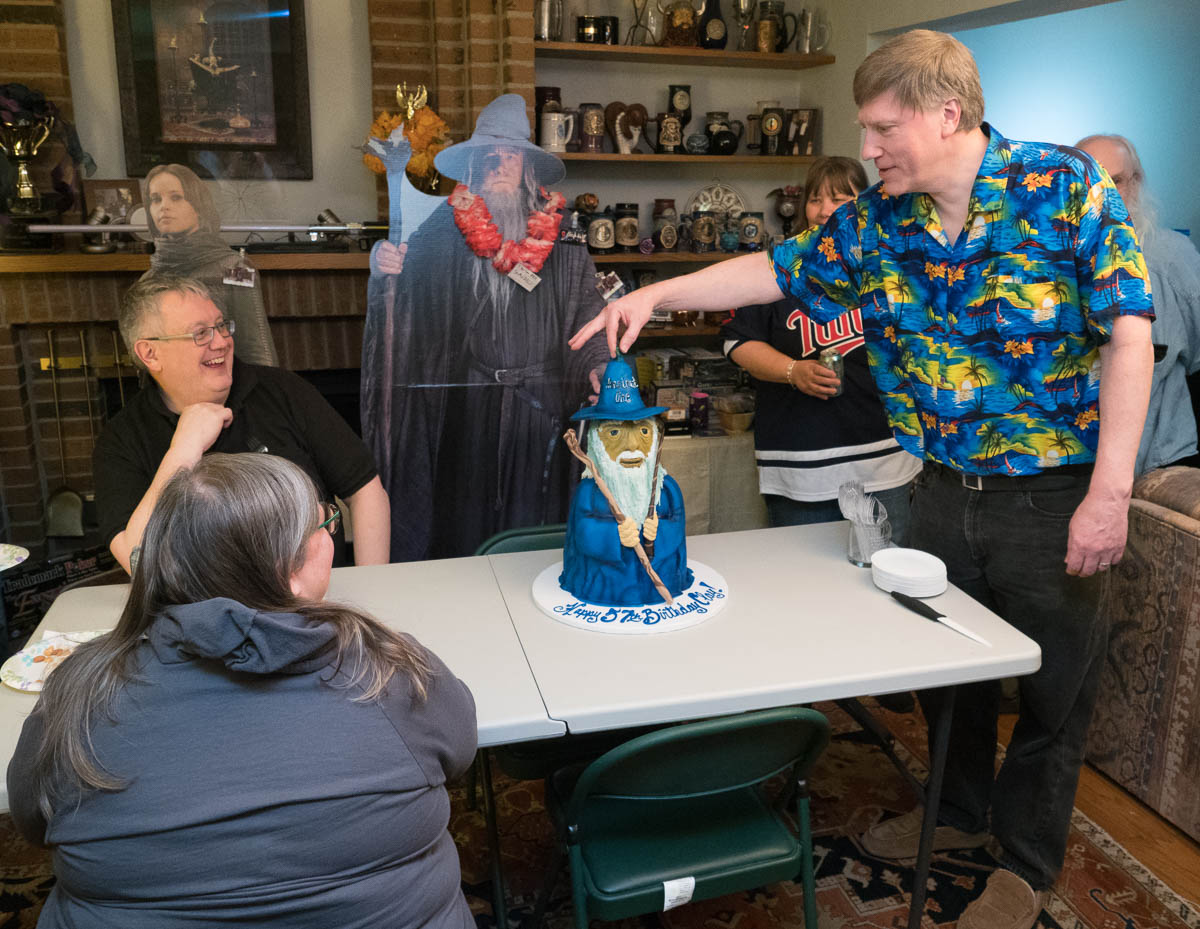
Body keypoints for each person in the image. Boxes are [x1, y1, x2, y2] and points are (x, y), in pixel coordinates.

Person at [569, 29, 1154, 929]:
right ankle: (957, 812)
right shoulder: (880, 218)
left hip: (1054, 496)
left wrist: (1110, 493)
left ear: (948, 114)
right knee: (948, 676)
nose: (869, 147)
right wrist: (656, 294)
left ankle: (1026, 864)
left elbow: (1128, 337)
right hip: (938, 489)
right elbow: (772, 269)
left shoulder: (1066, 187)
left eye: (884, 128)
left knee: (1052, 695)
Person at [7, 453, 477, 928]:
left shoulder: (78, 693)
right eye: (325, 525)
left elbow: (32, 820)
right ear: (288, 569)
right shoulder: (392, 670)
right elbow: (460, 750)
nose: (331, 536)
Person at [360, 94, 608, 562]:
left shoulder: (564, 238)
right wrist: (381, 269)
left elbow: (589, 317)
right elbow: (404, 300)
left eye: (509, 154)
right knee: (466, 530)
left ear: (527, 168)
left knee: (534, 534)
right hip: (468, 411)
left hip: (542, 417)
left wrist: (599, 369)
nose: (498, 164)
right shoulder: (442, 230)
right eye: (488, 155)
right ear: (473, 167)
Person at [94, 275, 390, 573]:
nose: (221, 342)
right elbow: (137, 560)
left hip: (317, 594)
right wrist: (184, 449)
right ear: (150, 354)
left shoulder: (283, 390)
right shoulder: (121, 440)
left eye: (221, 326)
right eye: (200, 333)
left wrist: (371, 583)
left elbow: (365, 489)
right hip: (205, 602)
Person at [723, 156, 921, 540]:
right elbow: (739, 342)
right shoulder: (781, 269)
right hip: (799, 463)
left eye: (839, 198)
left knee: (884, 566)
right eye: (816, 199)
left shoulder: (888, 265)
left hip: (883, 460)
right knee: (800, 571)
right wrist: (792, 371)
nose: (825, 210)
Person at [1076, 133, 1200, 473]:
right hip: (1075, 470)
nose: (1103, 194)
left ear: (1136, 182)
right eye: (1090, 182)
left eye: (1115, 180)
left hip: (1159, 461)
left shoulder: (1171, 258)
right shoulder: (1049, 266)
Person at [560, 356, 691, 606]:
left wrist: (659, 532)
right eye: (614, 432)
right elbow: (582, 533)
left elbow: (677, 526)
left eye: (643, 431)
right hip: (605, 587)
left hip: (657, 588)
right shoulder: (589, 492)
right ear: (596, 443)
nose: (632, 445)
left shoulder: (667, 490)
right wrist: (613, 535)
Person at [142, 163, 278, 367]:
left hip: (226, 378)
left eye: (176, 197)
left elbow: (257, 345)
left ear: (198, 206)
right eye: (155, 199)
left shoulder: (236, 268)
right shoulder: (149, 280)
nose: (164, 207)